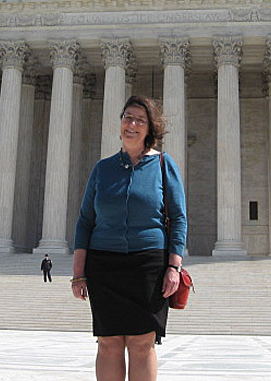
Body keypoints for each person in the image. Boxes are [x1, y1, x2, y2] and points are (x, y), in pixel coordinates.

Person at [71, 95, 187, 381]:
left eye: (139, 120)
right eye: (127, 118)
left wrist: (174, 267)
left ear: (150, 128)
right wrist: (78, 273)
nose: (131, 124)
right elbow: (85, 221)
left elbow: (179, 218)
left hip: (148, 266)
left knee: (141, 343)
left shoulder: (163, 165)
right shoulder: (103, 168)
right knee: (108, 342)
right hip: (104, 265)